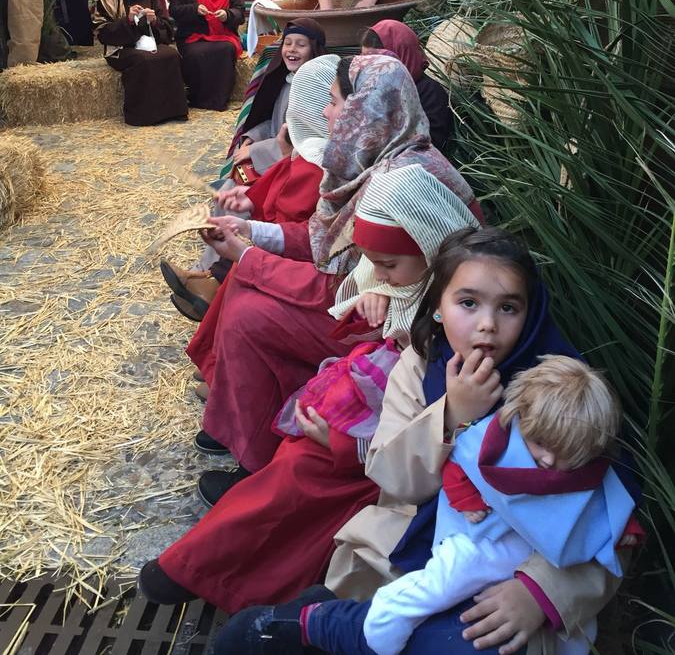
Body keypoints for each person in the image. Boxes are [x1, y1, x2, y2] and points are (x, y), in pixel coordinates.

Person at [218, 228, 628, 655]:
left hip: (515, 578)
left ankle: (327, 625)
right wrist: (452, 414)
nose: (487, 324)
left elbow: (611, 519)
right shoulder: (419, 366)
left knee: (476, 640)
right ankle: (327, 623)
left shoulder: (563, 387)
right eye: (468, 303)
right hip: (415, 549)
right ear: (437, 307)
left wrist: (539, 592)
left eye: (509, 307)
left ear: (531, 313)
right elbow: (393, 478)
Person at [138, 165, 479, 613]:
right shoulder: (427, 278)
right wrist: (374, 291)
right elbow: (367, 285)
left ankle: (206, 569)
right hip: (383, 416)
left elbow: (426, 428)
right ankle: (214, 544)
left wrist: (347, 445)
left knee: (303, 467)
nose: (328, 114)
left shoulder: (460, 324)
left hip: (392, 451)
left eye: (339, 103)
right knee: (294, 450)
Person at [187, 54, 482, 476]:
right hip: (375, 302)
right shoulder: (381, 157)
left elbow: (343, 282)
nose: (325, 112)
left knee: (251, 314)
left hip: (399, 324)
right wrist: (250, 233)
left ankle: (254, 459)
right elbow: (322, 243)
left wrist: (248, 257)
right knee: (245, 287)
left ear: (363, 110)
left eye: (333, 101)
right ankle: (239, 422)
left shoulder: (399, 179)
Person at [361, 355, 641, 655]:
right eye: (540, 445)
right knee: (452, 577)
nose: (548, 461)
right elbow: (460, 466)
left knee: (576, 634)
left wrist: (626, 529)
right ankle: (388, 613)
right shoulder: (499, 436)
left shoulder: (582, 448)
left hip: (541, 556)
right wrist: (466, 500)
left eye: (565, 455)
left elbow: (603, 504)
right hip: (484, 536)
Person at [161, 56, 336, 331]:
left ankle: (215, 294)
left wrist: (251, 230)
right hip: (284, 176)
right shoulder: (309, 147)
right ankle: (210, 278)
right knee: (231, 195)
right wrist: (250, 197)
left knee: (249, 265)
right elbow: (280, 156)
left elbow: (296, 219)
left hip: (305, 263)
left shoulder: (321, 165)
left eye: (334, 103)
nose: (327, 111)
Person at [91, 0, 188, 126]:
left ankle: (172, 111)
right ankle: (143, 116)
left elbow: (167, 28)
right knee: (143, 60)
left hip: (147, 43)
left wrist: (154, 21)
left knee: (171, 54)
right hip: (119, 49)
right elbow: (103, 33)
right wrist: (127, 21)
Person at [220, 17, 327, 178]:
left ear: (314, 50)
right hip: (272, 153)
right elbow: (275, 124)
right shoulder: (286, 83)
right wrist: (254, 136)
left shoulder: (314, 91)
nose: (292, 49)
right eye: (288, 43)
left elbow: (302, 140)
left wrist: (255, 151)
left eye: (301, 44)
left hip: (295, 166)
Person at [169, 0, 244, 112]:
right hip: (192, 36)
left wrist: (227, 15)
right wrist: (194, 9)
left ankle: (219, 100)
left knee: (225, 49)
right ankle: (197, 98)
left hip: (224, 35)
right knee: (196, 53)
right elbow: (173, 9)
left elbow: (240, 12)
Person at [361, 20, 453, 150]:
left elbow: (431, 146)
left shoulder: (429, 93)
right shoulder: (371, 90)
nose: (369, 69)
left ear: (400, 57)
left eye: (376, 62)